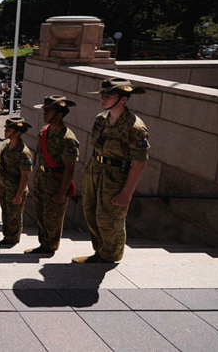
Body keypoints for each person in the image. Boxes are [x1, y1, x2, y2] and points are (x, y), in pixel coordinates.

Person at [73, 78, 149, 264]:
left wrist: (126, 193)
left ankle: (110, 257)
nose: (103, 99)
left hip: (115, 175)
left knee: (110, 219)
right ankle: (100, 252)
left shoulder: (135, 127)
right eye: (102, 95)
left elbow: (139, 163)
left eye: (109, 96)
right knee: (91, 213)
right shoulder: (101, 119)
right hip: (95, 170)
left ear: (123, 99)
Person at [26, 95, 80, 255]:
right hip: (41, 179)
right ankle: (43, 245)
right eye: (44, 110)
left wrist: (62, 192)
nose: (44, 114)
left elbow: (69, 169)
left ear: (59, 114)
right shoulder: (44, 132)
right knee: (41, 214)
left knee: (53, 218)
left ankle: (50, 247)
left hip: (55, 182)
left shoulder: (67, 139)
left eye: (48, 111)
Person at [0, 117, 34, 246]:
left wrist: (19, 195)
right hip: (5, 187)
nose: (5, 131)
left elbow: (25, 176)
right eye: (5, 129)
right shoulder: (6, 146)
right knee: (6, 214)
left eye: (9, 130)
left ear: (17, 133)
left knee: (14, 216)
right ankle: (7, 237)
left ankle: (12, 240)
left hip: (16, 189)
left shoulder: (23, 153)